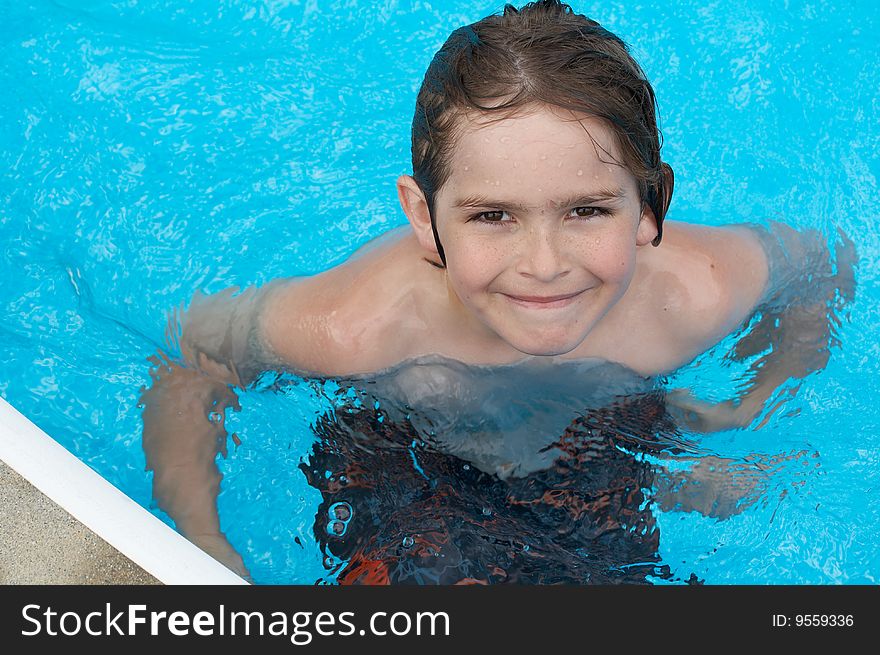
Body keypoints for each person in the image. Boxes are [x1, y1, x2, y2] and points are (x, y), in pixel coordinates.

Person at [139, 0, 855, 579]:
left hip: (596, 435)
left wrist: (753, 404)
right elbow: (199, 347)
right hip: (400, 445)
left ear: (650, 207)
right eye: (492, 216)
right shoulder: (360, 325)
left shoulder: (692, 294)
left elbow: (821, 264)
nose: (543, 264)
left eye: (587, 210)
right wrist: (204, 542)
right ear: (425, 218)